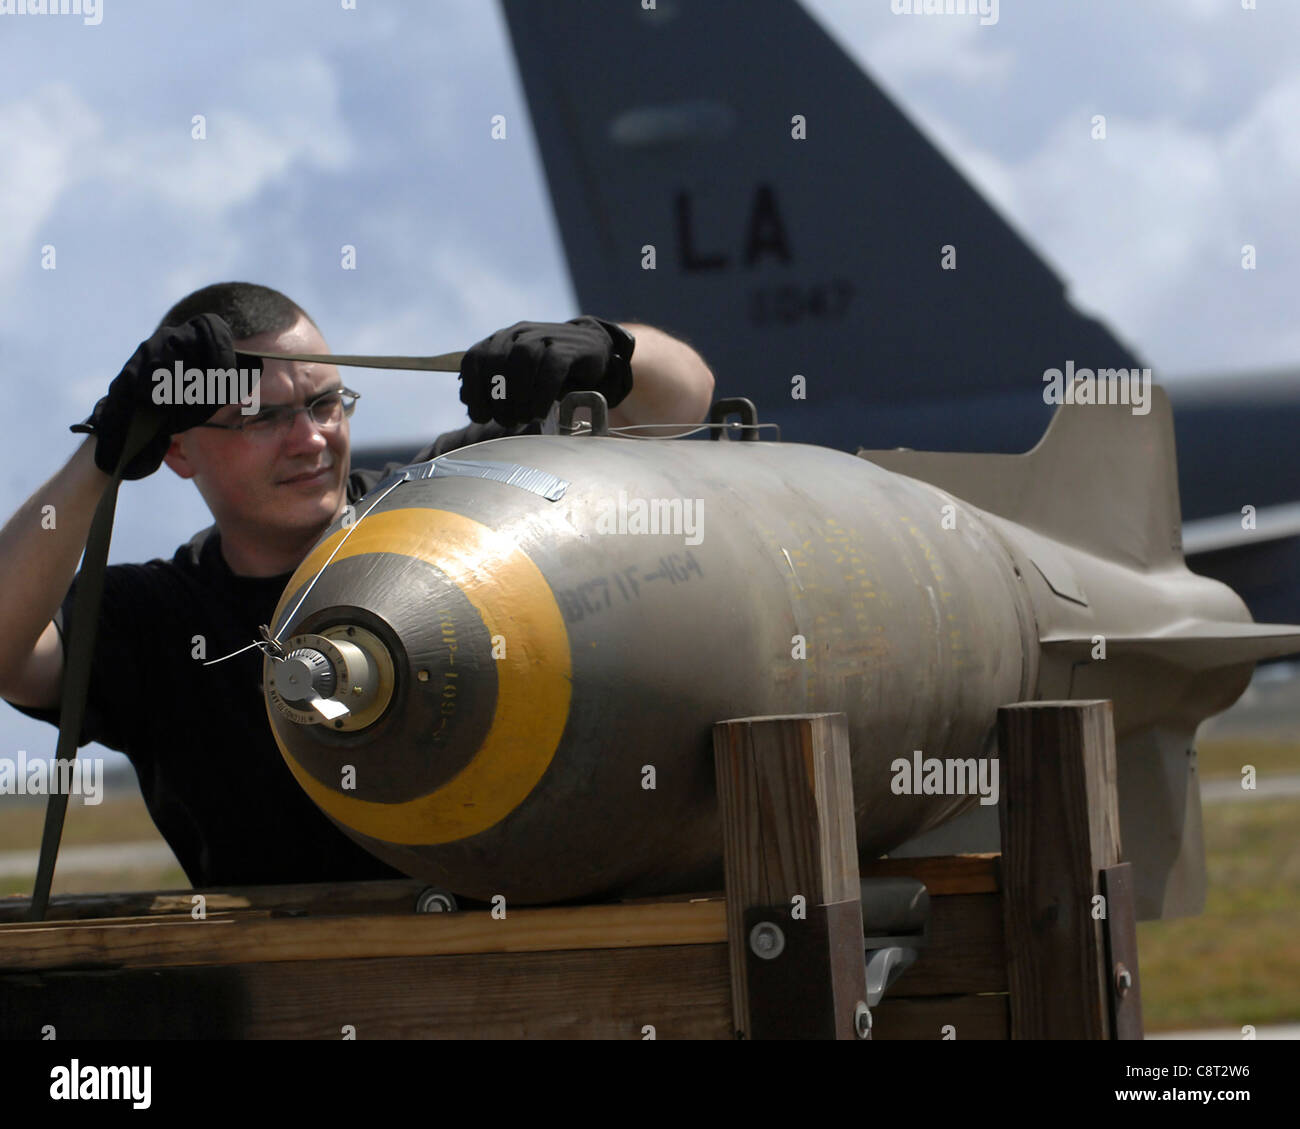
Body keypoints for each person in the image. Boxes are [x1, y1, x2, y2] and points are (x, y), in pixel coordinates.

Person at [0, 282, 715, 887]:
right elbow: (9, 651)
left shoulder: (454, 502)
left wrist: (608, 349)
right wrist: (105, 448)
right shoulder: (154, 620)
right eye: (260, 417)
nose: (309, 439)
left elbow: (682, 404)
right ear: (178, 450)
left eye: (324, 403)